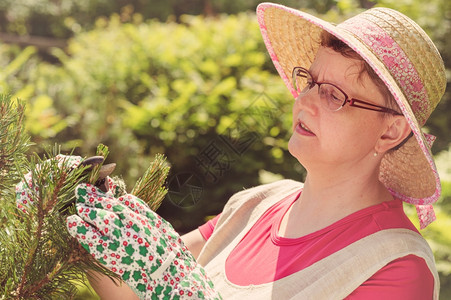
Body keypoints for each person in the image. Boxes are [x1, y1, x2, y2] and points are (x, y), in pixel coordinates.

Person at [64, 2, 446, 299]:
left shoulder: (395, 267)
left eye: (334, 94)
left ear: (390, 132)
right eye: (310, 81)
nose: (305, 102)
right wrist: (74, 211)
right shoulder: (256, 205)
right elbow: (137, 281)